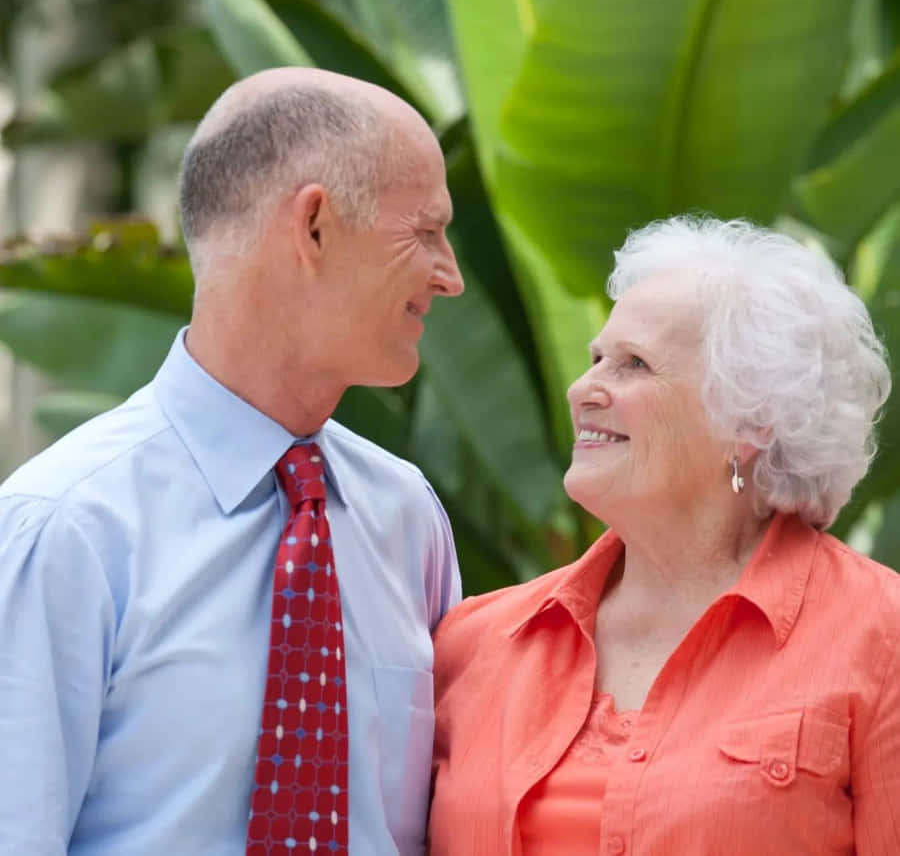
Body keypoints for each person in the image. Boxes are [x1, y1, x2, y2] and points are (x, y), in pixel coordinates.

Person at [0, 67, 464, 856]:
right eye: (424, 232)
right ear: (314, 225)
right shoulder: (65, 528)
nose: (450, 275)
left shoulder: (407, 518)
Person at [428, 216, 900, 855]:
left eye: (634, 365)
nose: (583, 388)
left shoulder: (881, 635)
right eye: (598, 358)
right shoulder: (474, 643)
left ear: (750, 422)